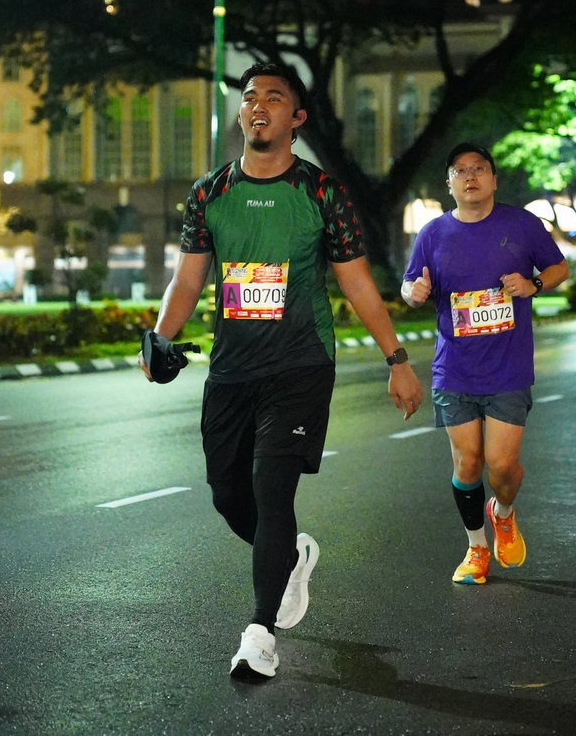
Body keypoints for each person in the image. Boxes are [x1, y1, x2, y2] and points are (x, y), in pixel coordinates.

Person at [139, 61, 423, 678]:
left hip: (299, 366)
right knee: (227, 494)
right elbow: (188, 278)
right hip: (231, 370)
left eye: (274, 97)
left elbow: (357, 283)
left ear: (296, 118)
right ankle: (289, 558)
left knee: (272, 488)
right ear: (242, 113)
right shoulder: (210, 192)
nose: (258, 106)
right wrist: (160, 337)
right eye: (249, 97)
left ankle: (259, 635)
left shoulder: (322, 193)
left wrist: (397, 360)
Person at [401, 142, 568, 586]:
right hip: (454, 368)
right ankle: (476, 547)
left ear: (493, 179)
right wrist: (413, 293)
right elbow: (410, 283)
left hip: (508, 368)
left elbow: (558, 268)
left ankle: (504, 512)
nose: (470, 176)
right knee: (468, 464)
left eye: (479, 169)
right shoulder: (433, 233)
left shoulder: (522, 224)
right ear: (449, 183)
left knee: (502, 468)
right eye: (460, 171)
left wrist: (533, 284)